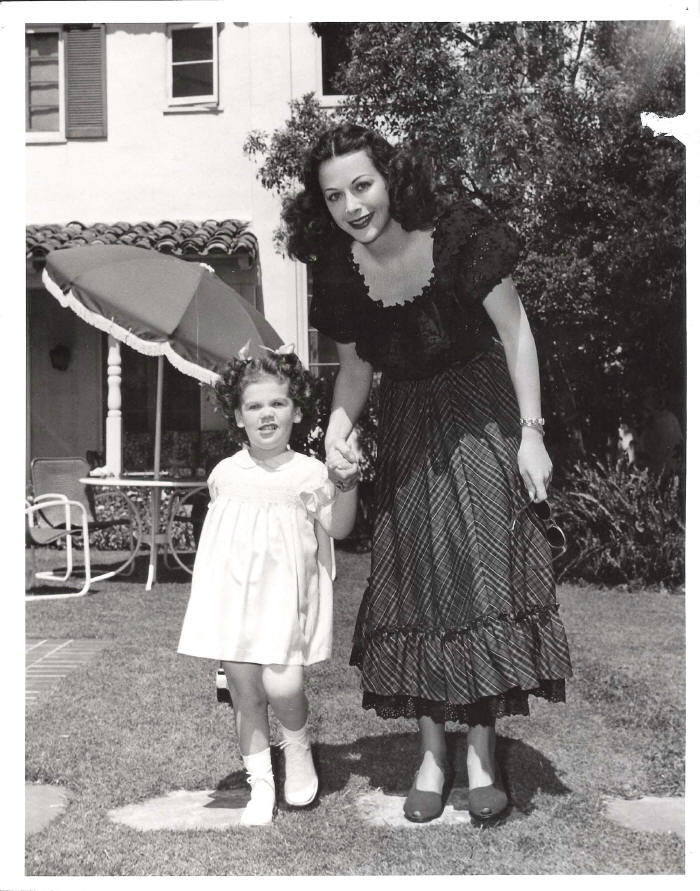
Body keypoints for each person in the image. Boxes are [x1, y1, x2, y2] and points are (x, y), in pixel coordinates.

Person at [282, 123, 573, 825]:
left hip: (480, 411)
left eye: (362, 185)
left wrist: (532, 435)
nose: (353, 205)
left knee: (482, 570)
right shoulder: (340, 273)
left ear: (389, 178)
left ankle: (480, 752)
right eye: (334, 197)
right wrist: (339, 432)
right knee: (419, 577)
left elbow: (517, 334)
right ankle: (431, 754)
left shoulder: (460, 234)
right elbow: (354, 373)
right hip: (410, 418)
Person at [177, 347, 357, 826]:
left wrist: (348, 484)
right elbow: (220, 544)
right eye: (254, 406)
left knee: (284, 683)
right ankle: (260, 784)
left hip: (285, 601)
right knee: (245, 691)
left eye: (277, 404)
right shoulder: (225, 475)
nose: (266, 414)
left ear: (296, 410)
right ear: (238, 416)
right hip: (235, 600)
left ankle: (296, 746)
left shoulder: (310, 472)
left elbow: (338, 529)